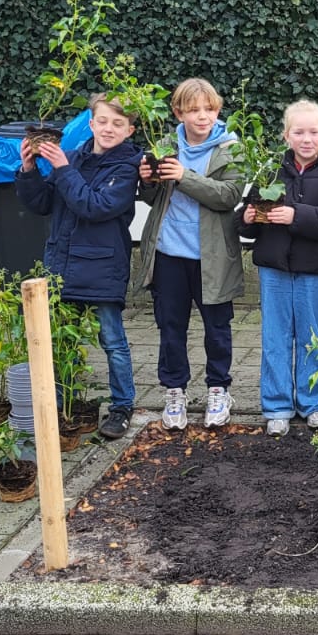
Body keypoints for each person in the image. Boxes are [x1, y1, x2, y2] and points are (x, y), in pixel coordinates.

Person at [15, 94, 142, 440]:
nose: (108, 129)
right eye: (102, 121)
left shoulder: (127, 168)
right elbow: (42, 203)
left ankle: (122, 406)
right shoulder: (71, 158)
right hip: (62, 266)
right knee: (63, 342)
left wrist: (62, 168)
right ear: (91, 123)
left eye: (118, 124)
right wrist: (28, 170)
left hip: (102, 268)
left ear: (129, 130)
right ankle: (62, 403)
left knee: (112, 341)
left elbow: (95, 206)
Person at [133, 78, 244, 432]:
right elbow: (151, 199)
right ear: (178, 112)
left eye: (209, 109)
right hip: (169, 253)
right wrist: (147, 181)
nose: (202, 116)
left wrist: (184, 176)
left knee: (217, 329)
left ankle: (218, 390)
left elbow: (228, 196)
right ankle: (175, 392)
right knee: (171, 327)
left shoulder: (231, 148)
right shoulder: (164, 145)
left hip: (212, 257)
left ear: (218, 110)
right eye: (193, 110)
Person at [244, 100, 318, 437]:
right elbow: (247, 220)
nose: (306, 139)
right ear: (286, 136)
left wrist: (295, 215)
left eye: (313, 132)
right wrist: (247, 218)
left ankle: (314, 404)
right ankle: (277, 406)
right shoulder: (271, 169)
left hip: (313, 270)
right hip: (273, 268)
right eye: (299, 132)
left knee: (310, 338)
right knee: (275, 337)